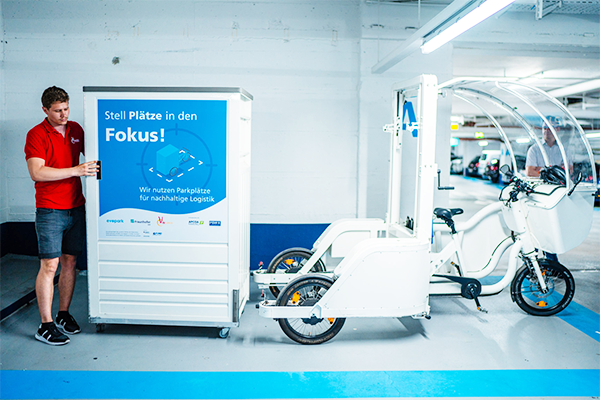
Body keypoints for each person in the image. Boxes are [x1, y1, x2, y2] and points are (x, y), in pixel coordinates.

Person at [24, 86, 98, 345]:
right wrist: (76, 170)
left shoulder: (76, 129)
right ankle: (45, 326)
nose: (63, 114)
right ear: (45, 110)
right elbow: (37, 172)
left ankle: (63, 314)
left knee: (70, 262)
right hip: (50, 209)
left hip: (76, 207)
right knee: (49, 265)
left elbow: (97, 155)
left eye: (66, 109)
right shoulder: (36, 134)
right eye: (57, 111)